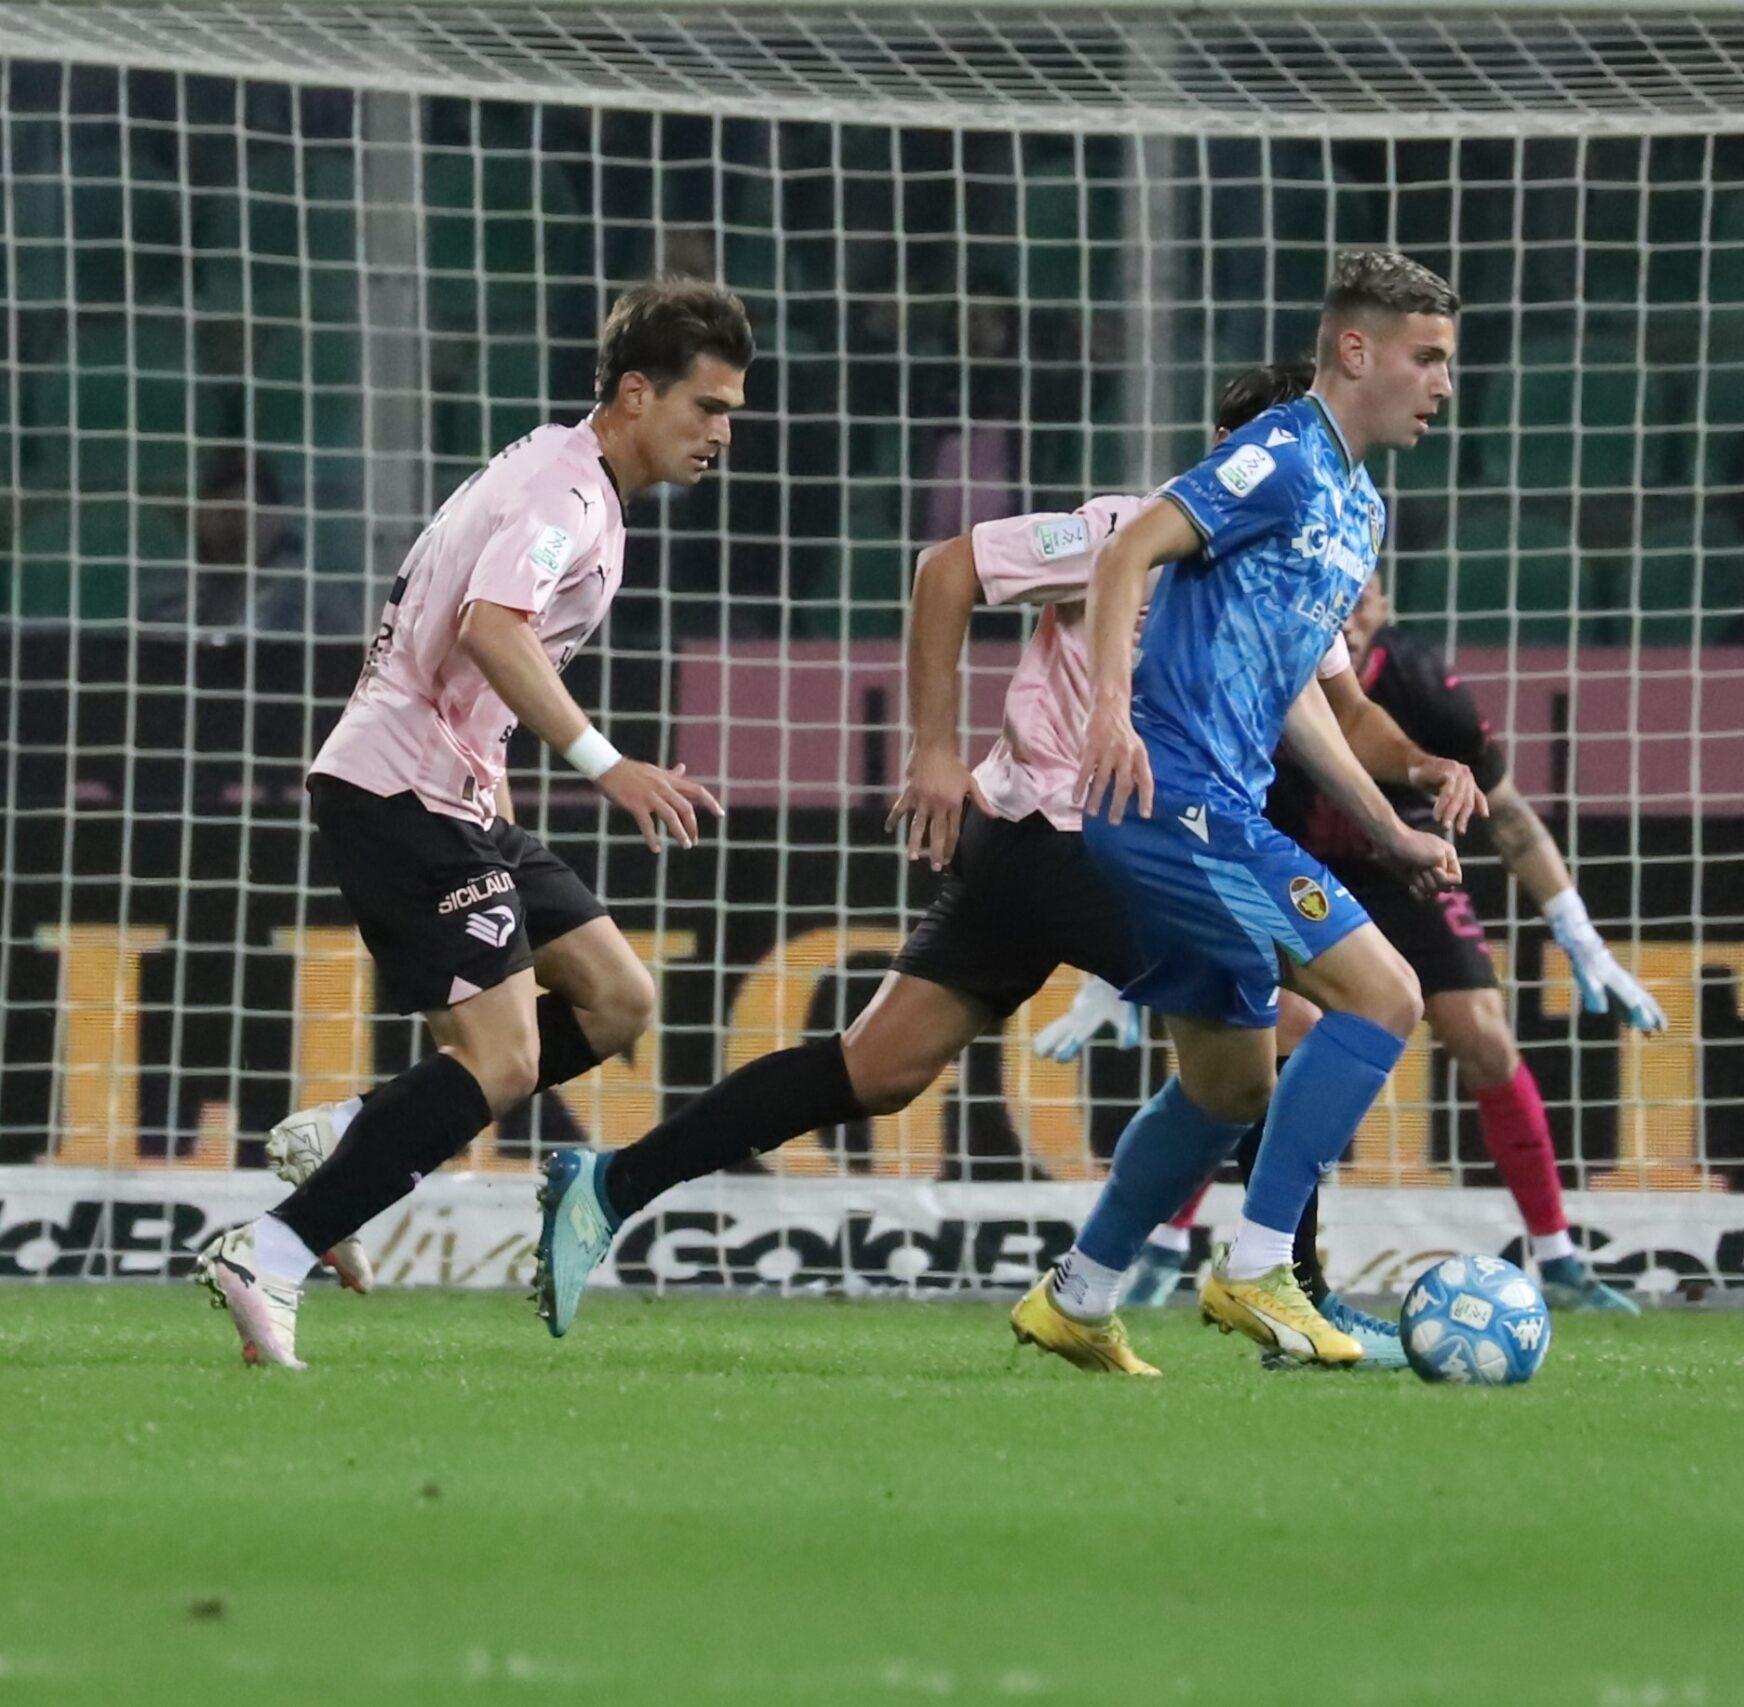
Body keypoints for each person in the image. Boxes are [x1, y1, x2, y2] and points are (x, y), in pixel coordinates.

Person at [523, 358, 1481, 1336]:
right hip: (1052, 834)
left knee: (880, 1068)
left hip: (1083, 849)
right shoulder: (1124, 533)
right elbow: (948, 569)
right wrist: (932, 750)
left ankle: (608, 1183)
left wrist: (1421, 768)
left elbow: (1338, 711)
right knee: (1281, 1034)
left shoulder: (1291, 575)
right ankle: (1281, 1295)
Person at [193, 277, 751, 1369]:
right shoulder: (568, 496)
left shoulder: (568, 473)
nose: (721, 434)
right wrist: (607, 764)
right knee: (500, 1061)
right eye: (708, 408)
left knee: (618, 999)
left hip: (459, 790)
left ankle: (352, 1132)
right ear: (636, 394)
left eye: (730, 412)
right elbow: (492, 626)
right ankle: (270, 1248)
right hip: (400, 790)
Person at [1009, 250, 1463, 1376]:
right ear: (1355, 350)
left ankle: (1080, 1294)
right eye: (1429, 358)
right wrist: (1109, 711)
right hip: (1173, 801)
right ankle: (1259, 1264)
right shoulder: (1280, 452)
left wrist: (1387, 823)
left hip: (1215, 800)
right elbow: (1128, 547)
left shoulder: (1359, 508)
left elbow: (1299, 691)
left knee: (1229, 1082)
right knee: (1383, 995)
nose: (1445, 384)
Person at [1060, 573, 1663, 1326]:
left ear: (1381, 608)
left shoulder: (1421, 687)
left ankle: (1559, 1255)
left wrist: (1582, 939)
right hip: (1282, 863)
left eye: (1363, 595)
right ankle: (1187, 1251)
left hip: (1402, 870)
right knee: (1254, 1043)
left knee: (1480, 1032)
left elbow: (1507, 819)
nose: (1346, 609)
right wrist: (1113, 971)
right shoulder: (1248, 657)